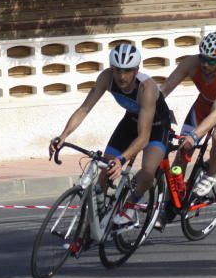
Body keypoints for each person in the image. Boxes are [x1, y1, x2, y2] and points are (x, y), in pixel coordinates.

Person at [51, 43, 172, 227]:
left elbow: (144, 137)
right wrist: (63, 136)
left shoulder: (146, 89)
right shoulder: (106, 78)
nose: (122, 76)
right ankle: (101, 216)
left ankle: (129, 206)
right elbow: (84, 109)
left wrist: (122, 159)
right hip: (131, 119)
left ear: (136, 70)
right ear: (111, 68)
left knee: (148, 170)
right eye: (117, 70)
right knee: (106, 168)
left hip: (156, 126)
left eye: (128, 71)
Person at [159, 31, 216, 197]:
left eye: (211, 60)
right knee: (182, 153)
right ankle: (172, 201)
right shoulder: (191, 63)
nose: (205, 64)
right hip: (203, 104)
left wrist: (194, 136)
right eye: (203, 58)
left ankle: (210, 175)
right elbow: (165, 89)